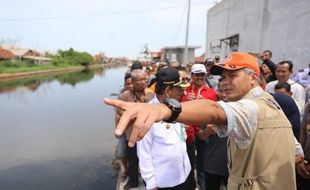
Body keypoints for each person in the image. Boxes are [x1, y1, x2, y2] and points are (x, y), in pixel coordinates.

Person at [105, 52, 305, 190]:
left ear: (253, 78)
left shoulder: (252, 107)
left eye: (232, 75)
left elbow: (215, 110)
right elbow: (296, 152)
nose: (224, 82)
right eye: (222, 77)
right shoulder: (269, 102)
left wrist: (161, 109)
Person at [137, 67, 191, 190]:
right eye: (179, 89)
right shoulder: (148, 114)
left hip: (184, 174)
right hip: (165, 182)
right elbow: (143, 153)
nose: (183, 93)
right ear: (168, 91)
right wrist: (151, 184)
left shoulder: (176, 107)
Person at [115, 69, 154, 190]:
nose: (144, 82)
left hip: (148, 134)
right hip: (131, 134)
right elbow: (118, 113)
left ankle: (151, 183)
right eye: (141, 80)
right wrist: (119, 131)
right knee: (133, 160)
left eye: (145, 79)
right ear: (133, 81)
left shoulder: (151, 94)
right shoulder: (125, 95)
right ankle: (133, 182)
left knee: (149, 159)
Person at [181, 63, 217, 190]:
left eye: (202, 74)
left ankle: (202, 186)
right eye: (197, 75)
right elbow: (179, 111)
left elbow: (215, 114)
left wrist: (202, 104)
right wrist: (188, 102)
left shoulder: (212, 93)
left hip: (204, 133)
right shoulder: (184, 91)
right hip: (188, 134)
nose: (199, 77)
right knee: (188, 163)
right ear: (192, 75)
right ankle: (190, 186)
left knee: (202, 164)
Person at [198, 80, 228, 190]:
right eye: (221, 90)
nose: (224, 94)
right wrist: (207, 131)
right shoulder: (209, 111)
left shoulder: (241, 109)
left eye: (227, 90)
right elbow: (201, 136)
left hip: (234, 166)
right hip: (213, 165)